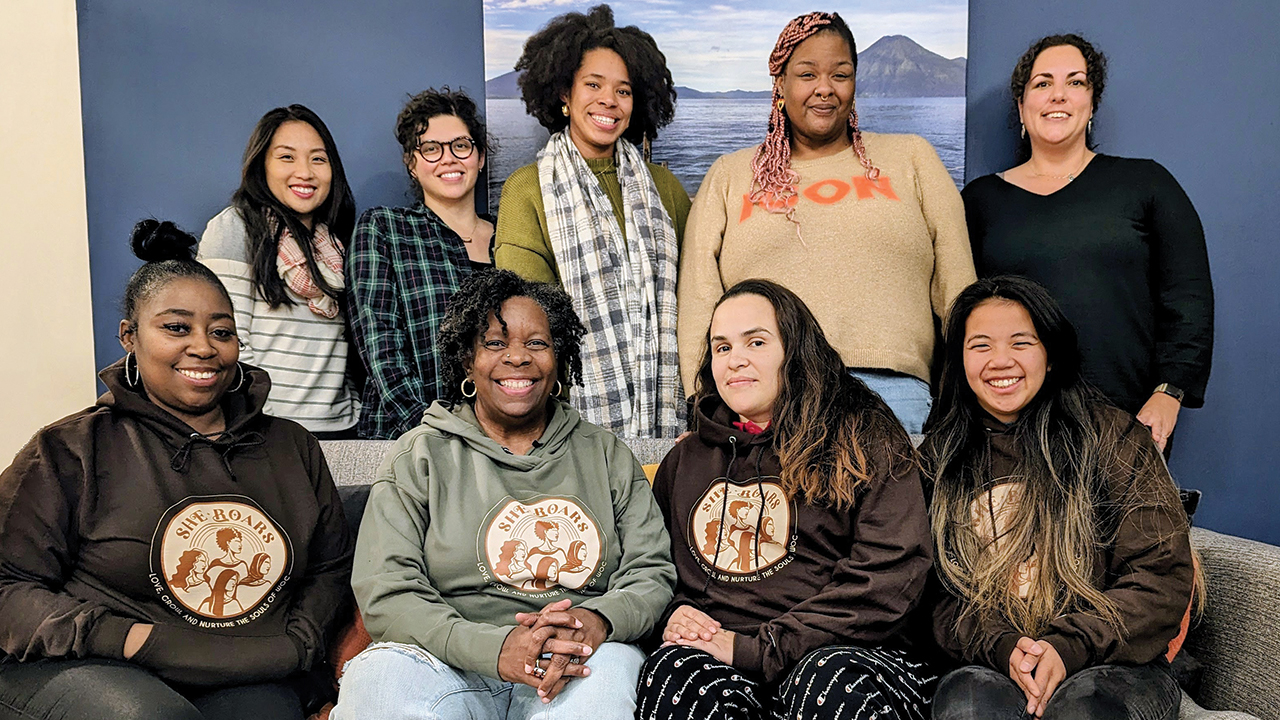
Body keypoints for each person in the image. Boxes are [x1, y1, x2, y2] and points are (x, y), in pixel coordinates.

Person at [0, 220, 354, 720]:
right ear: (130, 336)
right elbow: (8, 585)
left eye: (221, 332)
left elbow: (329, 568)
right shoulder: (71, 449)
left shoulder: (290, 446)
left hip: (248, 668)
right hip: (94, 665)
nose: (204, 347)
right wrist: (126, 638)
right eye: (176, 327)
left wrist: (301, 640)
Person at [331, 269, 675, 720]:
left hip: (576, 658)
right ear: (467, 361)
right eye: (495, 343)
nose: (517, 357)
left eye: (537, 343)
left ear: (559, 361)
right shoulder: (420, 455)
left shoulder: (606, 453)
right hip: (447, 660)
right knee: (377, 682)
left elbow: (650, 570)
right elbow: (388, 591)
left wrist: (598, 622)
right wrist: (494, 648)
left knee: (607, 681)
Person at [638, 279, 936, 720]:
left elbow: (889, 574)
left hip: (845, 651)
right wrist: (674, 614)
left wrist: (760, 648)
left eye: (755, 342)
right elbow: (652, 566)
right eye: (721, 348)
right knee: (676, 672)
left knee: (826, 681)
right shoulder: (687, 458)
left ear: (795, 352)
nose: (735, 360)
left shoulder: (863, 437)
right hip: (717, 653)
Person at [677, 12, 975, 435]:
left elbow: (958, 290)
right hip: (770, 400)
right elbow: (698, 302)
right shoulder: (730, 174)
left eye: (841, 74)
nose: (824, 88)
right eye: (807, 73)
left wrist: (971, 402)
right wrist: (703, 407)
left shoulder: (912, 158)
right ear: (779, 84)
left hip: (891, 398)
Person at [922, 276, 1193, 720]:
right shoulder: (939, 459)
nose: (1000, 361)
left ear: (1050, 355)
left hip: (1115, 664)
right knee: (968, 707)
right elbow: (933, 595)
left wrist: (1068, 647)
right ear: (959, 360)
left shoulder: (1111, 436)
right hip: (990, 661)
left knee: (1085, 710)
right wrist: (1004, 647)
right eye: (980, 346)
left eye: (1021, 342)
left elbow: (1161, 574)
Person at [962, 34, 1213, 453]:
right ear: (1022, 108)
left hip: (1125, 422)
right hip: (1012, 427)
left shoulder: (1146, 184)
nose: (1058, 94)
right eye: (1042, 83)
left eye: (1075, 83)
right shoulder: (980, 200)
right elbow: (959, 311)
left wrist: (1169, 393)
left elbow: (1188, 297)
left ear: (1092, 104)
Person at [495, 4, 691, 439]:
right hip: (570, 420)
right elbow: (530, 318)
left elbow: (695, 298)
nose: (609, 100)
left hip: (673, 418)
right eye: (593, 84)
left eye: (623, 90)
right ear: (564, 93)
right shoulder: (527, 189)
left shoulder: (665, 187)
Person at [199, 104, 360, 438]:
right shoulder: (234, 229)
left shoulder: (338, 243)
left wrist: (353, 408)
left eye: (318, 158)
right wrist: (261, 419)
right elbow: (227, 340)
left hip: (343, 428)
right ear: (262, 165)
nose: (305, 172)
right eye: (287, 157)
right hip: (268, 432)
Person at [348, 88, 497, 439]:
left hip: (503, 443)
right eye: (430, 148)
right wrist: (433, 436)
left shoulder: (510, 236)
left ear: (480, 156)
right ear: (411, 163)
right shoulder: (384, 228)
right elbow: (381, 347)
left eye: (461, 145)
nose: (448, 159)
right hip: (409, 441)